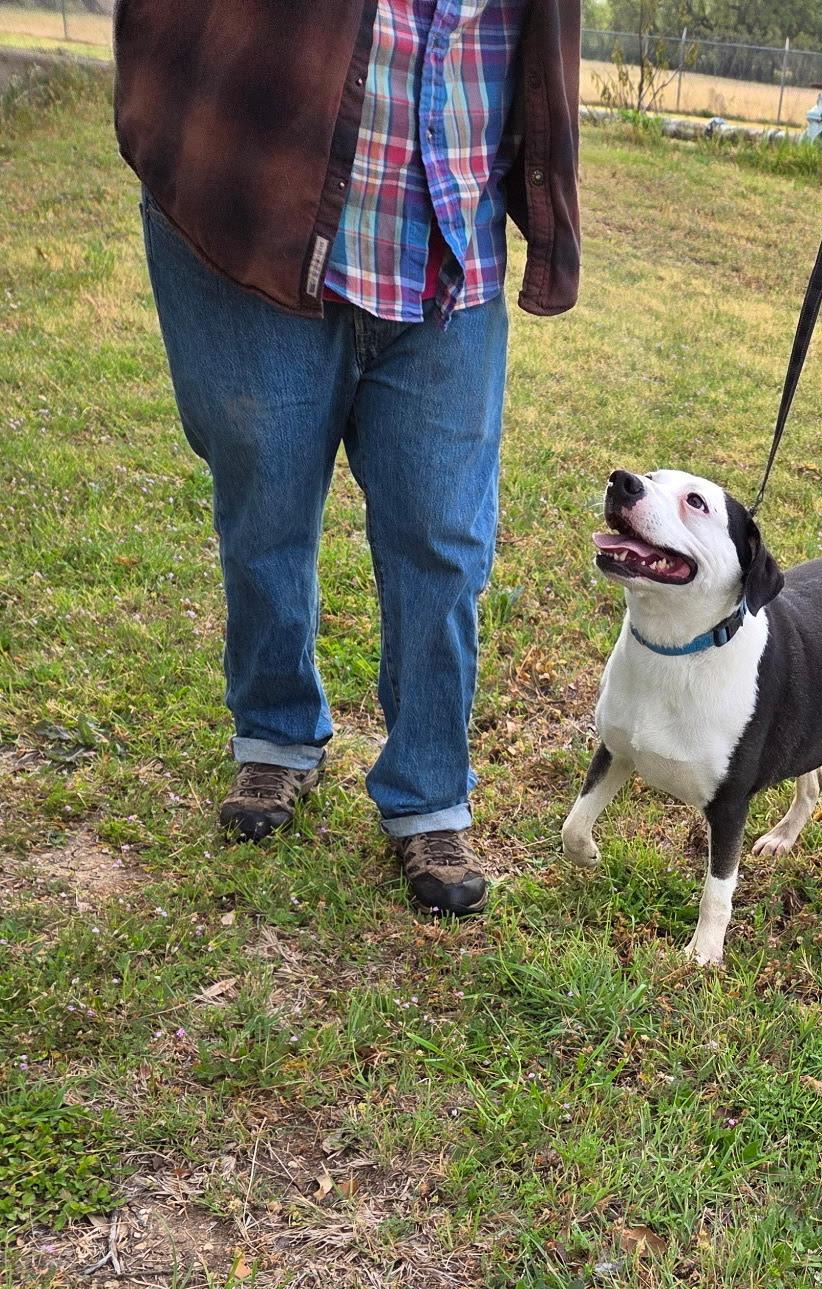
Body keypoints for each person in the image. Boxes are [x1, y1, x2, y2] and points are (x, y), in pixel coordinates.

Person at [113, 1, 583, 915]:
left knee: (442, 535)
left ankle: (429, 793)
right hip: (260, 215)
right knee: (266, 502)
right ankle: (277, 735)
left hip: (450, 252)